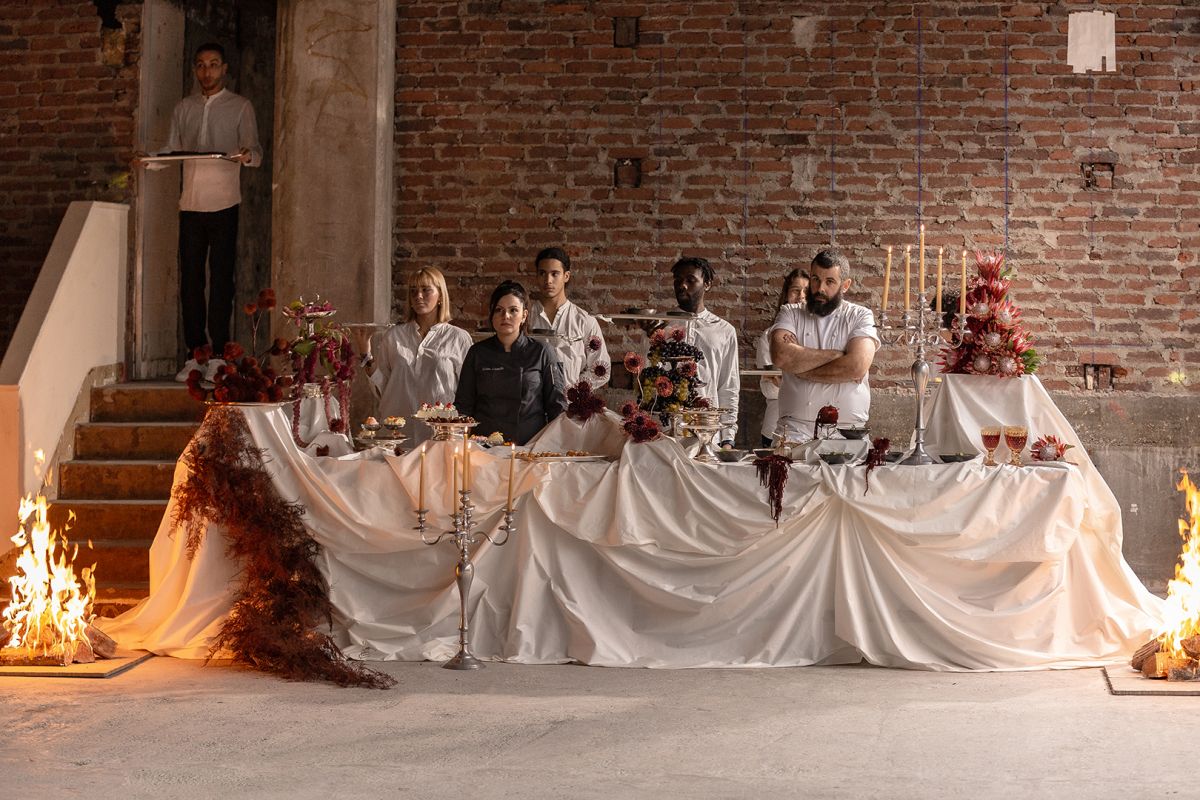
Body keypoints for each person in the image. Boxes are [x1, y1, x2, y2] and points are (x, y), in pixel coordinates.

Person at [148, 42, 262, 381]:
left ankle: (219, 355)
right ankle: (194, 354)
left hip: (225, 203)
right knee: (191, 282)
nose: (207, 72)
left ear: (224, 68)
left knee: (222, 282)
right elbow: (172, 149)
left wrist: (245, 155)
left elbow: (255, 151)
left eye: (213, 64)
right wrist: (149, 161)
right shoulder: (184, 108)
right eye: (201, 65)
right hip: (191, 204)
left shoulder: (240, 106)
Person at [768, 249, 879, 443]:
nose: (820, 288)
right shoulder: (790, 313)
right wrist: (838, 356)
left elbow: (856, 366)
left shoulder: (860, 316)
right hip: (794, 431)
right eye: (815, 279)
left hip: (848, 433)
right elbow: (781, 356)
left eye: (830, 282)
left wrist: (801, 370)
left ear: (845, 285)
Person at [356, 267, 473, 445]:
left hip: (442, 436)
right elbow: (383, 386)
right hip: (398, 434)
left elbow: (469, 392)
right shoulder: (394, 336)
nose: (418, 296)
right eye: (413, 291)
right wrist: (366, 353)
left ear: (440, 295)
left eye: (426, 290)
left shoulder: (458, 338)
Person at [455, 281, 566, 445]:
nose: (505, 316)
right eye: (499, 310)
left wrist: (552, 447)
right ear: (492, 315)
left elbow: (557, 407)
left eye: (513, 310)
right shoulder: (477, 353)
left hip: (530, 448)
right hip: (484, 447)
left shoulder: (542, 352)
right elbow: (464, 406)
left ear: (524, 315)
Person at [669, 257, 740, 447]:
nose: (682, 285)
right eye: (678, 280)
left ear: (707, 284)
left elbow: (729, 386)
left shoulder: (724, 331)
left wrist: (727, 438)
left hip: (708, 434)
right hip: (666, 434)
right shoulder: (661, 327)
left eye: (690, 280)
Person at [528, 247, 611, 389]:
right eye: (542, 273)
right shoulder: (524, 317)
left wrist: (574, 391)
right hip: (529, 405)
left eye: (555, 274)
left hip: (570, 405)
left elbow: (601, 370)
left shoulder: (584, 321)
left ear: (566, 276)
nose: (548, 280)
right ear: (536, 276)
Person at [755, 269, 805, 446]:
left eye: (806, 291)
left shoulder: (818, 337)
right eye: (795, 291)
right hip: (774, 427)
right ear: (786, 295)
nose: (801, 296)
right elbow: (769, 389)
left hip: (809, 430)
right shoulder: (769, 336)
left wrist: (786, 375)